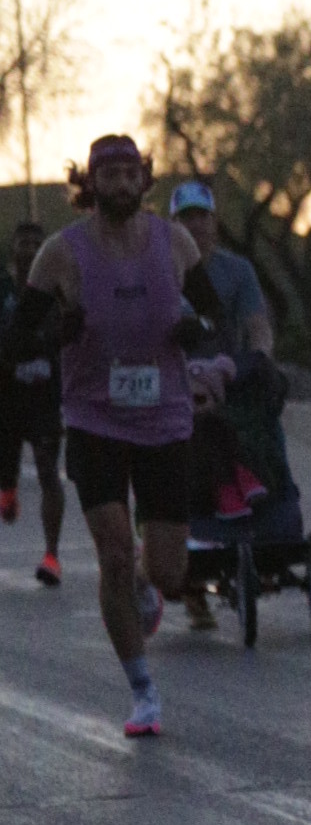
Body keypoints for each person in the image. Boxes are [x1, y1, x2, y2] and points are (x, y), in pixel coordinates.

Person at [24, 136, 235, 738]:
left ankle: (147, 584)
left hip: (164, 419)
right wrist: (55, 333)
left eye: (129, 173)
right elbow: (17, 336)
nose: (119, 184)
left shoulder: (175, 244)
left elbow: (214, 315)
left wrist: (196, 332)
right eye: (108, 174)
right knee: (114, 553)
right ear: (89, 183)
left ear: (144, 181)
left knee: (167, 570)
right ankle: (143, 693)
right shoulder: (60, 254)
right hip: (94, 420)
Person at [169, 175, 273, 623]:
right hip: (177, 379)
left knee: (251, 419)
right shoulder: (163, 273)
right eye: (185, 218)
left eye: (202, 216)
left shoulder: (237, 271)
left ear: (214, 221)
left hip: (228, 376)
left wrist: (260, 359)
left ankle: (257, 494)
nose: (195, 225)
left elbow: (257, 326)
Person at [1, 217, 67, 585]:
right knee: (5, 474)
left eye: (36, 244)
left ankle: (52, 555)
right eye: (23, 242)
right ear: (13, 248)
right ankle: (7, 491)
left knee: (47, 471)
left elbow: (71, 332)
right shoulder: (4, 289)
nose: (29, 250)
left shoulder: (58, 292)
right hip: (7, 396)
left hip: (45, 396)